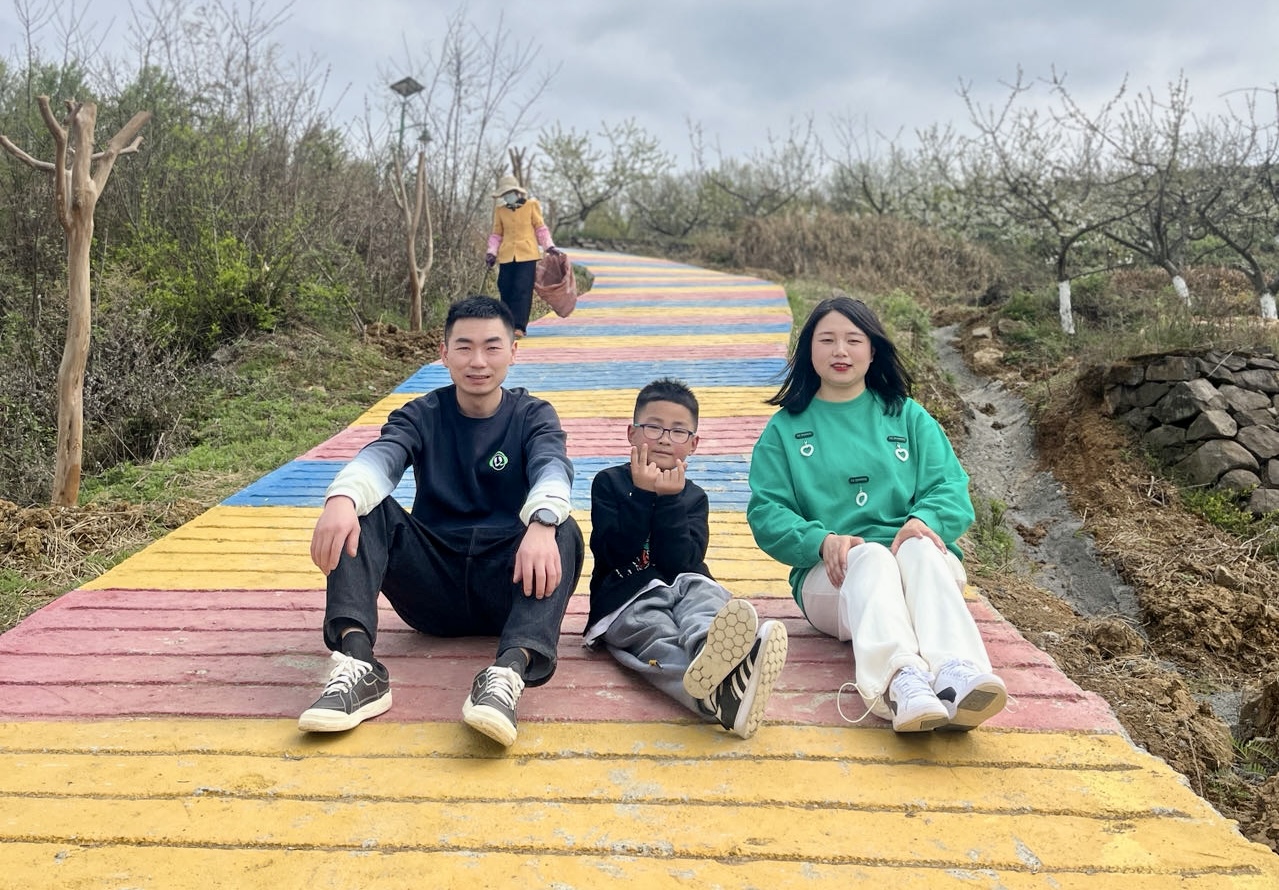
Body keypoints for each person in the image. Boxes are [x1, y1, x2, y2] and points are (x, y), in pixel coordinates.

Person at [298, 294, 584, 747]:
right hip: (432, 585)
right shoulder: (421, 414)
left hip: (507, 585)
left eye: (492, 347)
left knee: (563, 529)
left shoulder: (533, 415)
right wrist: (342, 498)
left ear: (513, 350)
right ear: (444, 353)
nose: (478, 361)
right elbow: (384, 456)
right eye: (464, 347)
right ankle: (359, 666)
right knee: (365, 509)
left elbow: (553, 466)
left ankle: (508, 672)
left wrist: (543, 523)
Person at [746, 296, 1006, 733]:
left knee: (920, 550)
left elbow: (950, 488)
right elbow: (767, 511)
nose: (840, 351)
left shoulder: (907, 415)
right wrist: (821, 541)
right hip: (834, 579)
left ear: (873, 350)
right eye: (826, 339)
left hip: (918, 568)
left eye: (853, 339)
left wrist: (924, 521)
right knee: (873, 559)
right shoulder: (784, 430)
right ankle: (899, 683)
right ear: (809, 350)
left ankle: (958, 675)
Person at [585, 378, 789, 739]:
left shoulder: (693, 497)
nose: (665, 438)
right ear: (632, 434)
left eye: (678, 431)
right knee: (657, 635)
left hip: (685, 582)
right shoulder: (608, 483)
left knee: (706, 598)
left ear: (694, 444)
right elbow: (613, 552)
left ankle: (712, 651)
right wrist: (644, 494)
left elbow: (683, 560)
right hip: (627, 595)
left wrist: (668, 500)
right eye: (654, 427)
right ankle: (718, 693)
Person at [485, 173, 559, 339]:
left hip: (527, 255)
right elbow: (497, 234)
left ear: (517, 192)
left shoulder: (531, 206)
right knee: (505, 288)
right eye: (504, 195)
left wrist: (549, 246)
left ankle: (519, 326)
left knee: (522, 289)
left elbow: (540, 228)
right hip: (506, 255)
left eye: (509, 193)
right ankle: (506, 325)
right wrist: (491, 252)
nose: (507, 197)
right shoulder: (500, 211)